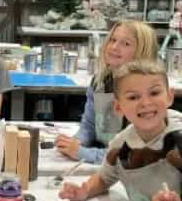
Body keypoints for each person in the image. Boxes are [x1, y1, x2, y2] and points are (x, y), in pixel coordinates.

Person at [59, 60, 182, 201]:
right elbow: (104, 178)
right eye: (133, 97)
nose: (145, 102)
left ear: (170, 96)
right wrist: (86, 191)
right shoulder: (120, 145)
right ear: (118, 107)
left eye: (154, 93)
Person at [55, 21, 159, 164]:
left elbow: (131, 154)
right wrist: (76, 142)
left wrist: (82, 152)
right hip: (104, 163)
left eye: (126, 44)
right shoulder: (101, 81)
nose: (115, 47)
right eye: (113, 40)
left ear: (142, 52)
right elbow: (90, 125)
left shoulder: (145, 95)